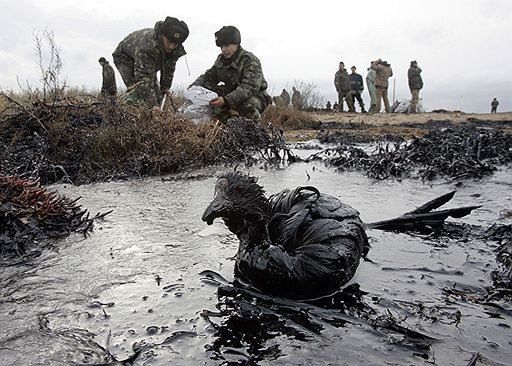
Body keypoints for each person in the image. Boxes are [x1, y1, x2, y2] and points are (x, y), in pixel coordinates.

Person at [190, 26, 271, 122]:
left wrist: (226, 100)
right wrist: (193, 87)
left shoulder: (250, 60)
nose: (223, 49)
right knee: (209, 93)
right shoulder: (221, 60)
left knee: (247, 105)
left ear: (236, 44)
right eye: (221, 47)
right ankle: (227, 125)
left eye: (227, 45)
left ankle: (252, 130)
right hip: (229, 93)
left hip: (256, 96)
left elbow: (249, 87)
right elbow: (208, 77)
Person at [112, 16, 189, 111]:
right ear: (162, 35)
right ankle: (127, 113)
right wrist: (152, 104)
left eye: (175, 44)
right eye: (169, 41)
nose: (171, 46)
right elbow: (144, 77)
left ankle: (154, 117)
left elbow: (169, 68)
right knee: (137, 91)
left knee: (158, 96)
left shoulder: (175, 49)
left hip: (148, 63)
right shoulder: (147, 45)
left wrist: (165, 86)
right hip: (125, 58)